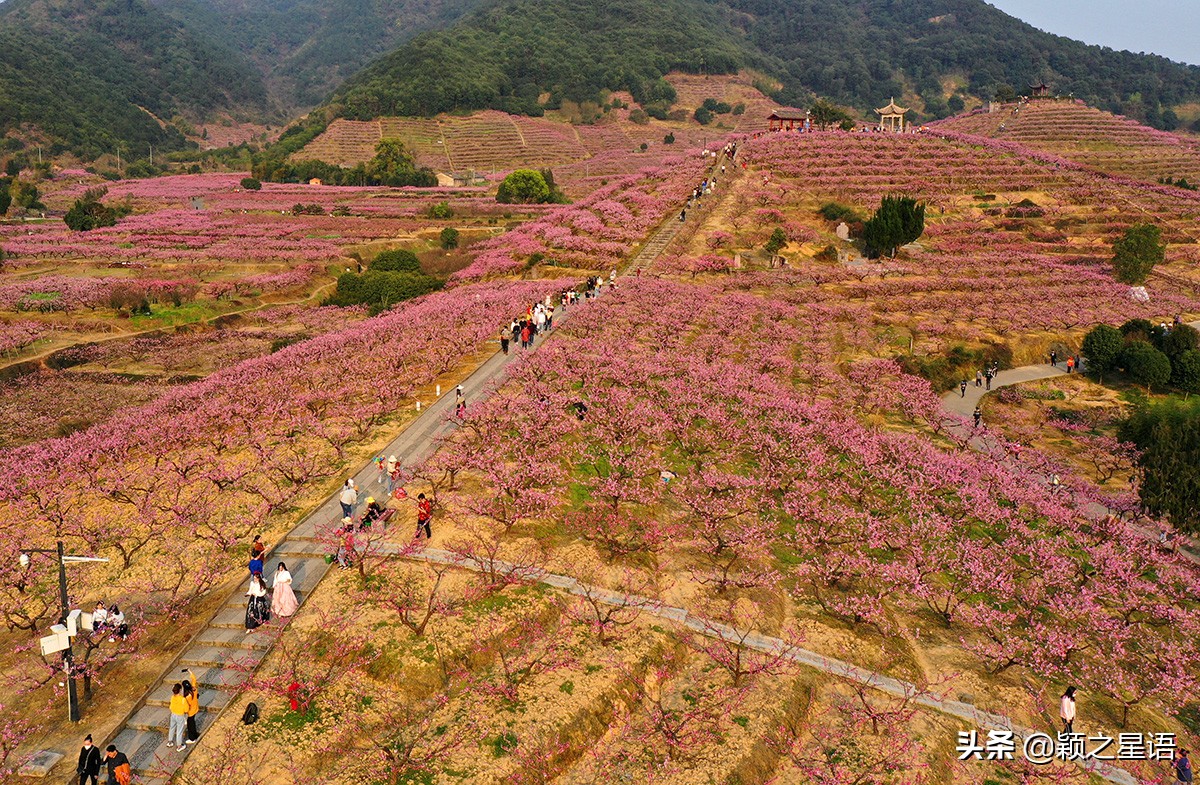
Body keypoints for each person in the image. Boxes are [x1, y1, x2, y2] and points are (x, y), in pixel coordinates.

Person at [167, 682, 188, 750]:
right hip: (180, 716)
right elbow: (186, 709)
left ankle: (170, 741)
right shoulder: (183, 699)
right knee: (179, 730)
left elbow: (170, 707)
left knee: (172, 727)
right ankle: (179, 746)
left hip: (173, 714)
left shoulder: (172, 697)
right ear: (180, 690)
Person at [182, 669, 200, 743]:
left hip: (190, 712)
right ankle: (195, 735)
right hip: (196, 708)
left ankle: (192, 738)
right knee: (192, 723)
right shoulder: (194, 689)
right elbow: (194, 679)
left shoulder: (187, 697)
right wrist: (189, 671)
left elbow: (186, 706)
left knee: (190, 725)